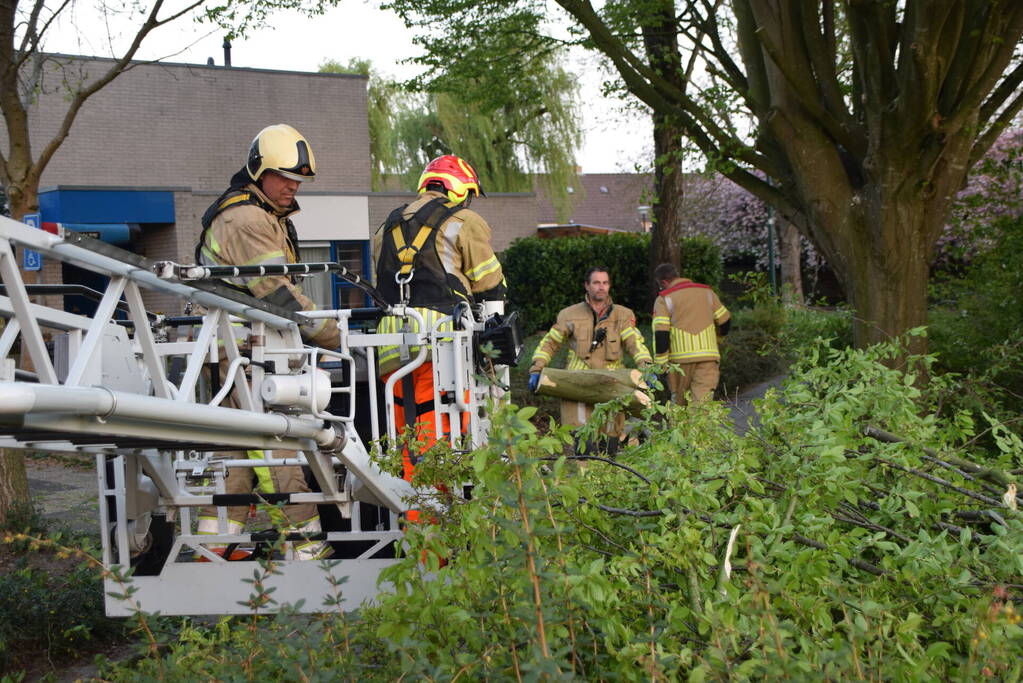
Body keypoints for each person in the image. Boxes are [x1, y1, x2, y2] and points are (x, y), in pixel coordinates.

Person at [194, 123, 339, 560]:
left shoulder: (261, 214)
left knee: (236, 454)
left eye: (298, 181)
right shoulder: (247, 219)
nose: (292, 187)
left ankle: (214, 548)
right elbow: (276, 293)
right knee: (276, 445)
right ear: (259, 171)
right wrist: (334, 334)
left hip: (243, 351)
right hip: (246, 352)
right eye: (284, 177)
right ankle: (306, 548)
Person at [373, 154, 506, 513]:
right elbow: (491, 286)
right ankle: (436, 524)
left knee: (407, 437)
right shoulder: (465, 221)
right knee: (440, 438)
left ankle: (416, 516)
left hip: (391, 345)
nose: (469, 203)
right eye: (469, 195)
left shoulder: (386, 226)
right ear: (460, 188)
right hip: (442, 344)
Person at [528, 266, 652, 453]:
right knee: (582, 440)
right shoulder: (569, 314)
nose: (601, 287)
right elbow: (550, 343)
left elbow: (636, 344)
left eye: (605, 283)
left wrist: (648, 369)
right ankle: (583, 469)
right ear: (587, 285)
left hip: (611, 385)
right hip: (577, 384)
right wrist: (536, 369)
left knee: (609, 443)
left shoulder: (623, 315)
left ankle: (607, 470)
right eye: (596, 283)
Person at [651, 262, 731, 406]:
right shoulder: (707, 293)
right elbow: (725, 321)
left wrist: (661, 365)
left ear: (663, 282)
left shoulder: (664, 299)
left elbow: (661, 334)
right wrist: (718, 340)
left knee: (680, 406)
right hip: (708, 358)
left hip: (679, 363)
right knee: (701, 405)